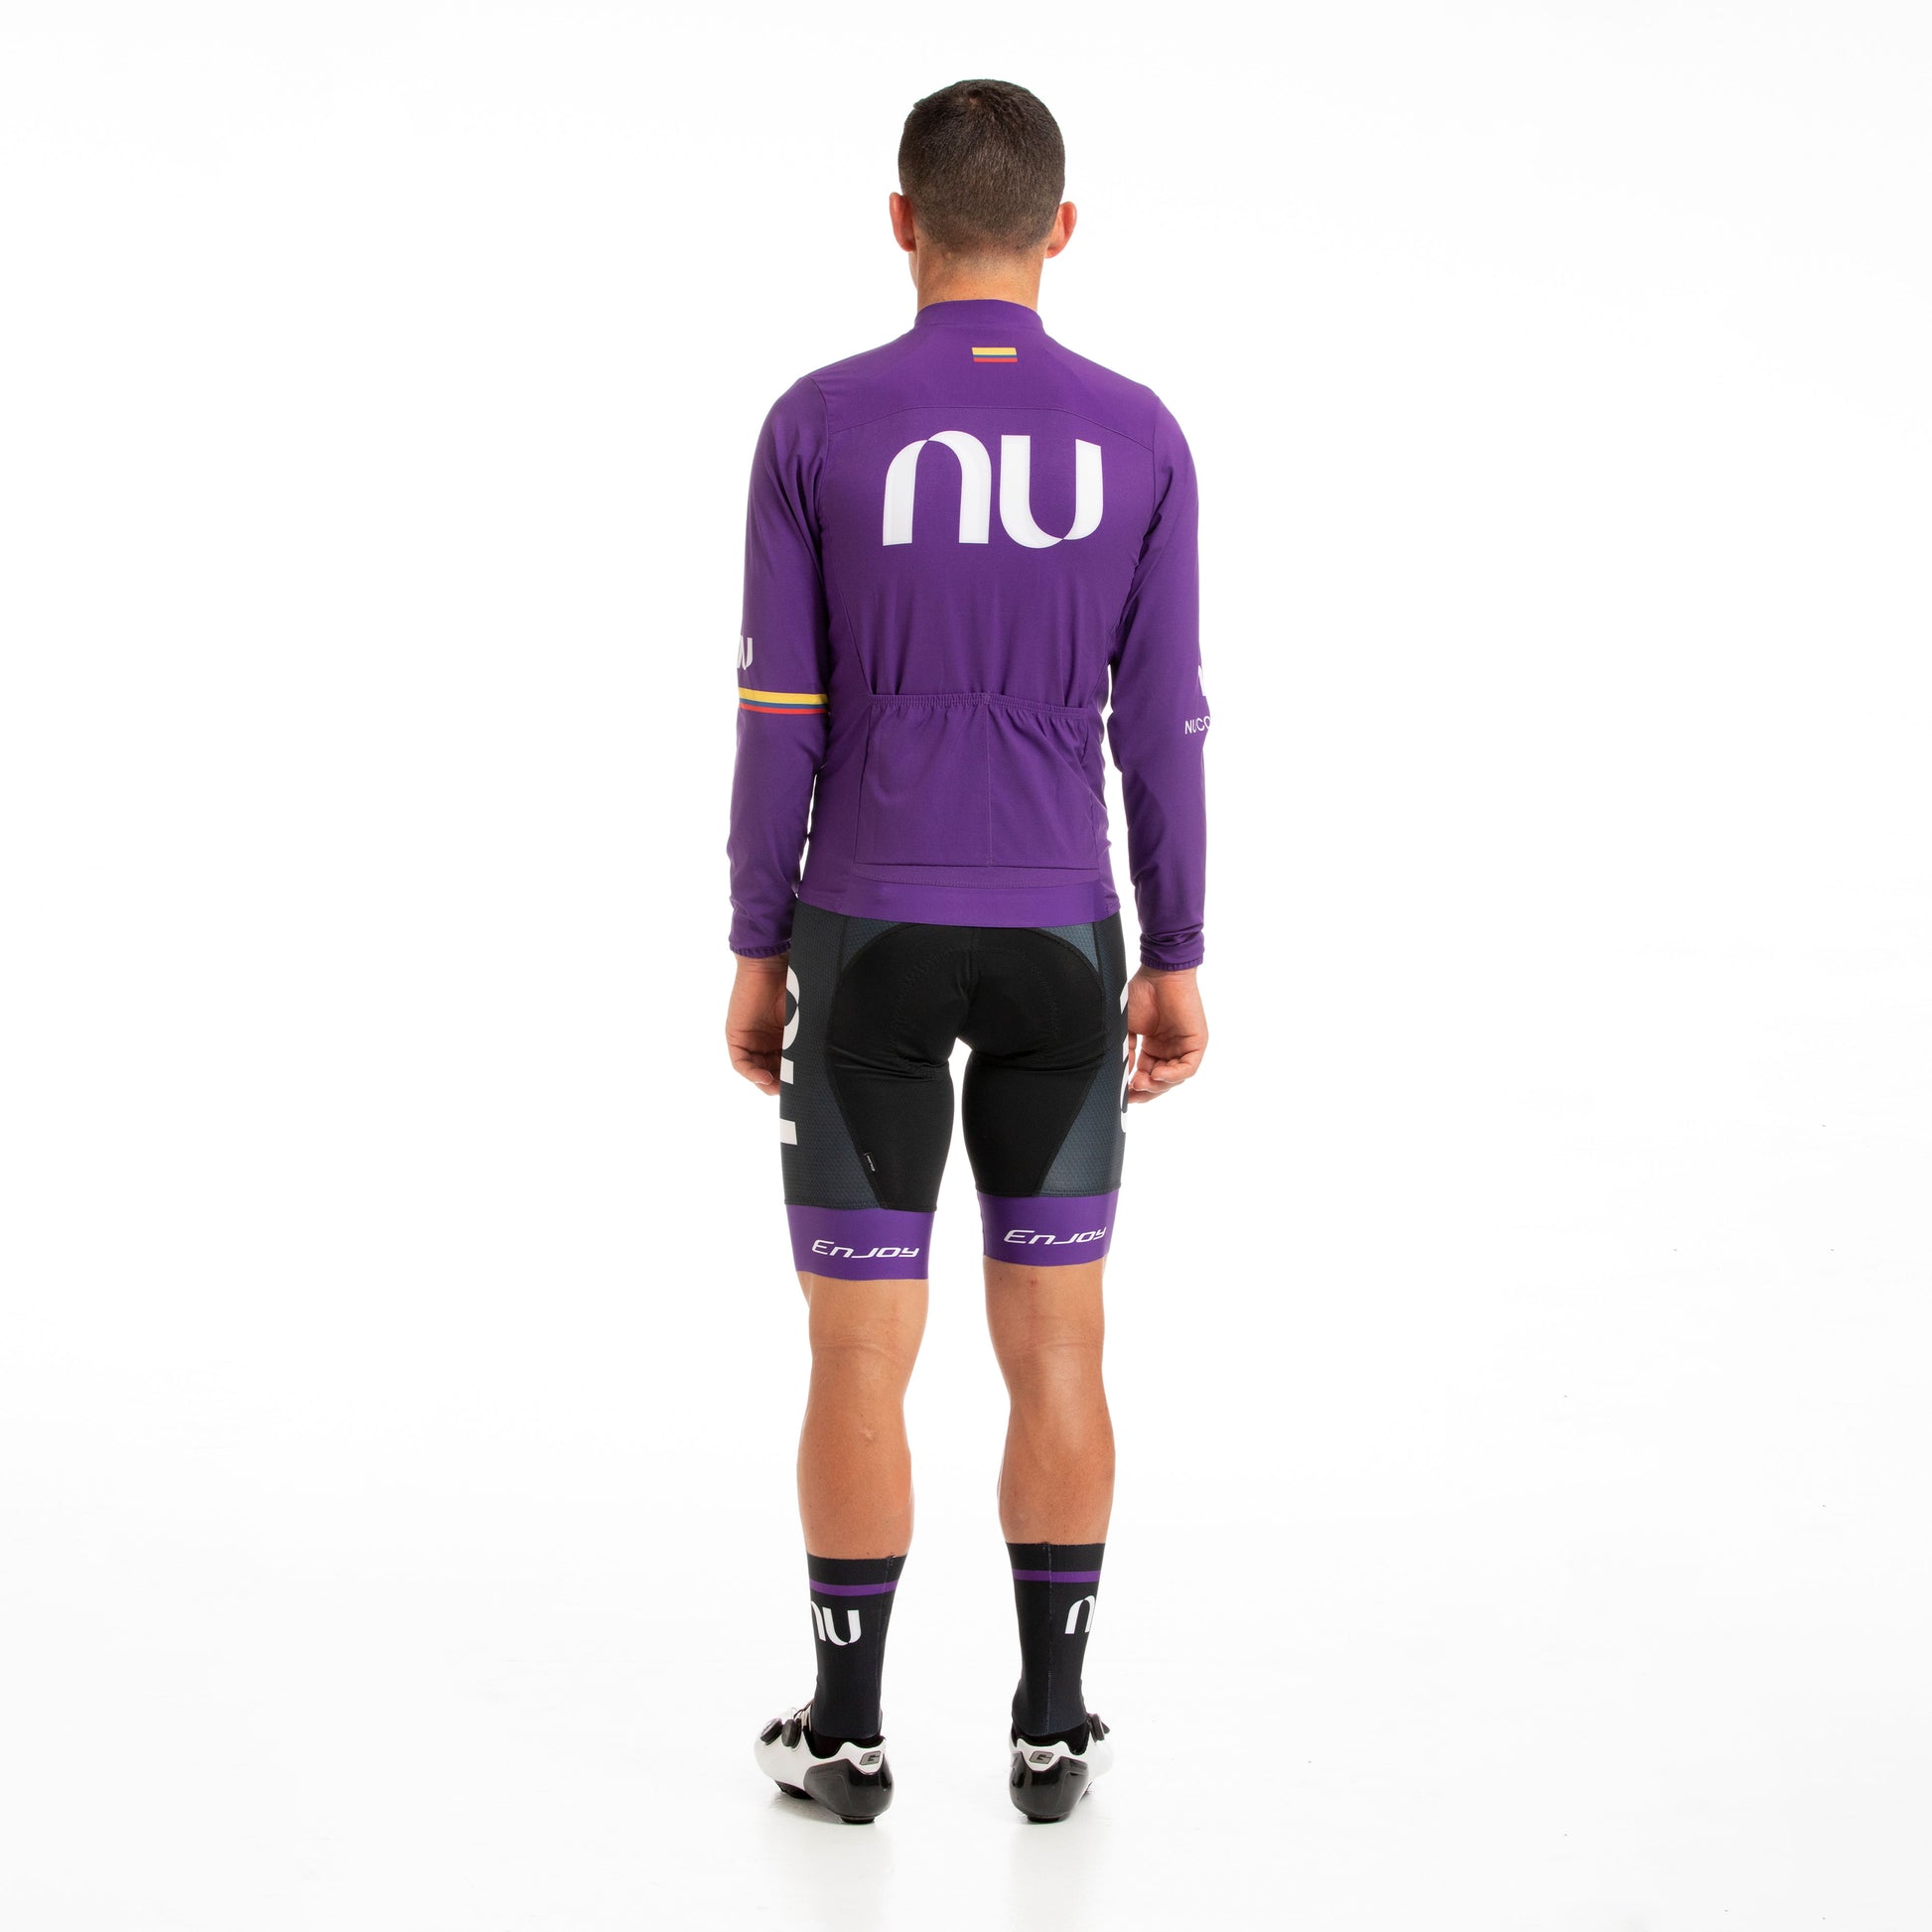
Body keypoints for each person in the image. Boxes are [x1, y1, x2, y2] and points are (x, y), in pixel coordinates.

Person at [726, 77, 1209, 1824]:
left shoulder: (817, 422)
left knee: (858, 1350)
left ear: (900, 220)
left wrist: (756, 938)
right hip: (1059, 938)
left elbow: (778, 710)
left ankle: (848, 1736)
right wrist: (1176, 945)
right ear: (1059, 229)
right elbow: (1163, 720)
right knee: (1060, 1339)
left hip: (866, 931)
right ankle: (1051, 1729)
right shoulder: (1140, 434)